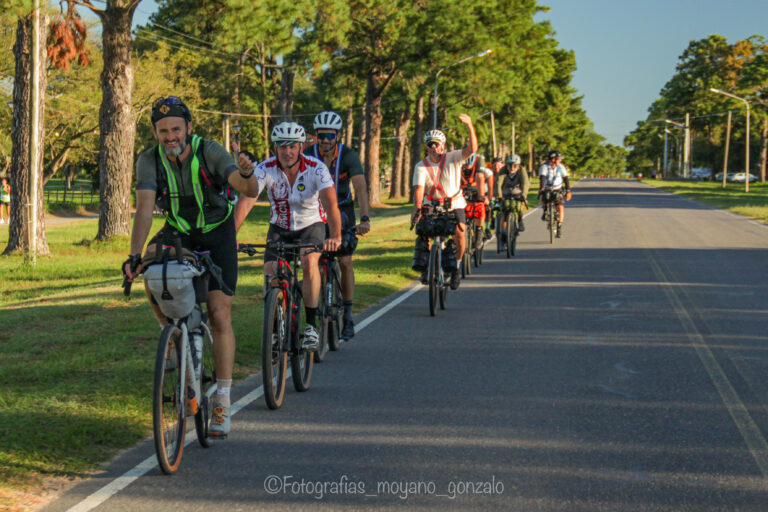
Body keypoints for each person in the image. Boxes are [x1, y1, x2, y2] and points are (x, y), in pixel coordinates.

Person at [123, 96, 260, 438]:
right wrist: (135, 254)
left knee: (219, 314)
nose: (170, 136)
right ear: (155, 131)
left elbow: (246, 188)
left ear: (188, 128)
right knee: (148, 268)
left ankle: (223, 401)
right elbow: (143, 208)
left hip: (217, 233)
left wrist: (246, 173)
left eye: (176, 129)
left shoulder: (210, 151)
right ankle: (170, 337)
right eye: (163, 131)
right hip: (179, 230)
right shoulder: (148, 160)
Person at [233, 122, 342, 351]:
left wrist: (337, 236)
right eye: (282, 146)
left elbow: (331, 205)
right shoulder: (265, 168)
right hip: (280, 227)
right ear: (275, 148)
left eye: (292, 146)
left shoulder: (316, 168)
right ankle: (275, 329)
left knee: (309, 260)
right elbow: (247, 201)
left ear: (301, 147)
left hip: (311, 224)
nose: (287, 151)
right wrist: (230, 234)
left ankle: (311, 326)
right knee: (271, 271)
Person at [304, 111, 370, 341]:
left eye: (330, 136)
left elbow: (360, 188)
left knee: (344, 260)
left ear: (338, 136)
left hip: (343, 210)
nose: (325, 141)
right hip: (315, 211)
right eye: (321, 136)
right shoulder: (308, 154)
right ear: (316, 136)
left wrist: (364, 218)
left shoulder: (348, 156)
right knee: (311, 259)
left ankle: (349, 315)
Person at [411, 113, 478, 290]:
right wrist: (417, 209)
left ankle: (456, 266)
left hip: (454, 204)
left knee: (460, 233)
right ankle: (426, 266)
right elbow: (419, 189)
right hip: (431, 203)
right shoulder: (421, 166)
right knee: (423, 232)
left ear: (443, 146)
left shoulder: (453, 157)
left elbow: (472, 149)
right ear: (426, 147)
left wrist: (470, 126)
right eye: (430, 144)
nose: (434, 148)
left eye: (437, 144)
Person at [538, 150, 572, 237]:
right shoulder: (544, 167)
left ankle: (559, 226)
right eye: (558, 159)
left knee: (560, 207)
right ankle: (545, 210)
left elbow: (566, 178)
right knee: (543, 197)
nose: (560, 160)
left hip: (558, 189)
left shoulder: (561, 167)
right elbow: (543, 177)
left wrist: (568, 190)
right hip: (547, 189)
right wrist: (542, 188)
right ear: (553, 159)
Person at [460, 153, 489, 247]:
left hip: (476, 188)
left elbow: (480, 178)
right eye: (465, 165)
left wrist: (481, 196)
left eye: (469, 165)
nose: (467, 167)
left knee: (480, 208)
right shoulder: (457, 162)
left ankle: (479, 231)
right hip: (462, 188)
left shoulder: (479, 160)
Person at [499, 154, 530, 233]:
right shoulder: (503, 171)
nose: (512, 168)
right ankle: (502, 230)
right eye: (510, 166)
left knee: (520, 204)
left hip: (518, 191)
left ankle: (520, 221)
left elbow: (525, 183)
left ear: (518, 165)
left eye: (515, 166)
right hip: (506, 191)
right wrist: (499, 195)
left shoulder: (522, 171)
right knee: (503, 209)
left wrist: (523, 195)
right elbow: (498, 183)